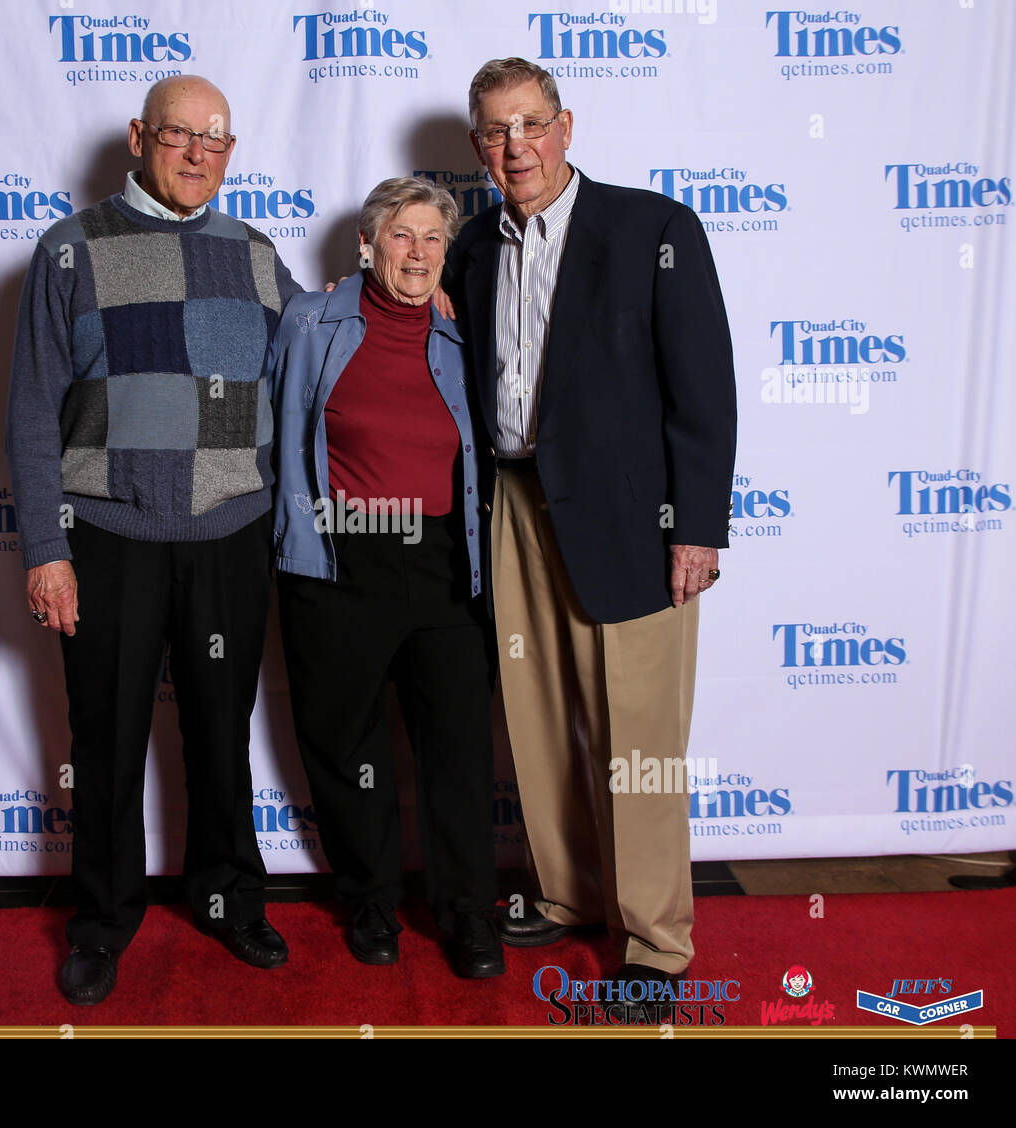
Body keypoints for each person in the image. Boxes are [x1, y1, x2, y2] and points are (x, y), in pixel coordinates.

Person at [6, 75, 302, 1006]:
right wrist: (46, 550)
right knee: (106, 740)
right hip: (109, 534)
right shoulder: (70, 251)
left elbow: (319, 347)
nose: (198, 154)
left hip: (229, 532)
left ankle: (229, 900)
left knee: (222, 734)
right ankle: (101, 922)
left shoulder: (255, 255)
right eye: (180, 135)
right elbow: (29, 414)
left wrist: (420, 309)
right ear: (140, 136)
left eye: (217, 139)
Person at [444, 58, 737, 987]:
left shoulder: (652, 228)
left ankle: (655, 941)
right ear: (479, 147)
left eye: (530, 124)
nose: (514, 146)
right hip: (516, 507)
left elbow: (705, 391)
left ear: (566, 127)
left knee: (640, 741)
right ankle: (568, 894)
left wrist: (697, 526)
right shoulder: (472, 246)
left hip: (633, 522)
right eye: (494, 131)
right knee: (536, 722)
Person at [267, 177, 504, 978]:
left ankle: (468, 915)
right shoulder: (311, 320)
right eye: (401, 235)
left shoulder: (467, 330)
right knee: (345, 745)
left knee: (460, 751)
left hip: (443, 561)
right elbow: (274, 431)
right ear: (367, 245)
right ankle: (369, 904)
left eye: (434, 237)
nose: (418, 252)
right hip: (340, 557)